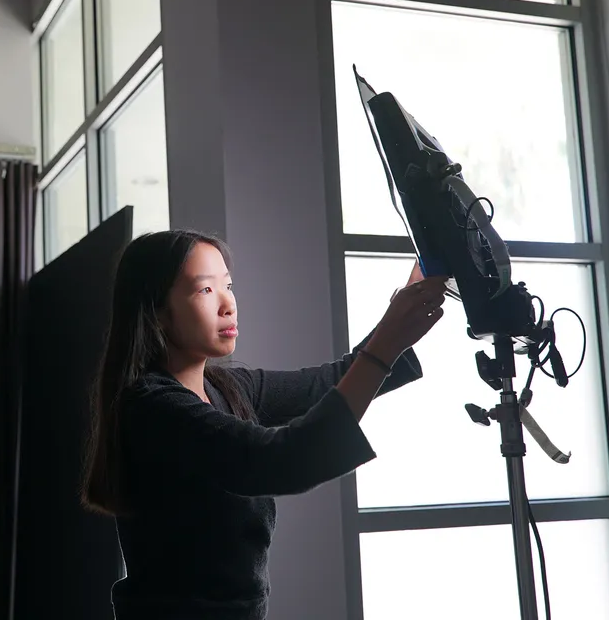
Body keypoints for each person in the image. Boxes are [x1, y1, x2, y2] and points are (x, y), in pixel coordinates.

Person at [81, 229, 448, 620]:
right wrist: (387, 343)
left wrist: (410, 300)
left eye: (229, 285)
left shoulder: (227, 387)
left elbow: (337, 379)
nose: (228, 305)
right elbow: (280, 460)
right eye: (205, 290)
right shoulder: (152, 408)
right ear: (155, 310)